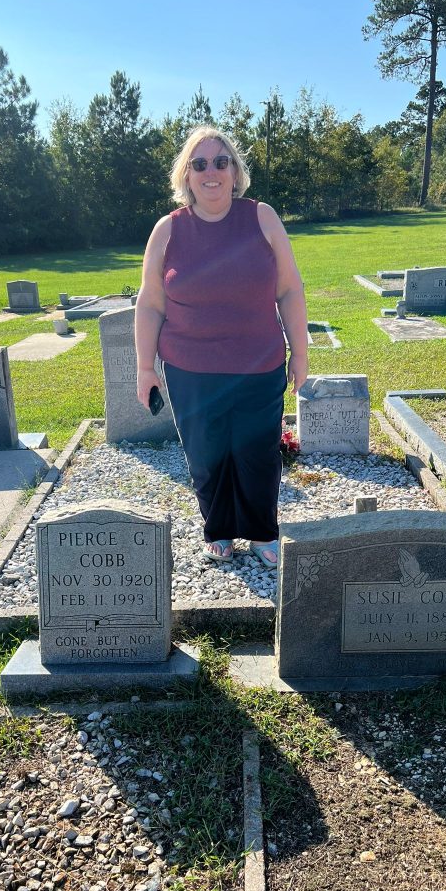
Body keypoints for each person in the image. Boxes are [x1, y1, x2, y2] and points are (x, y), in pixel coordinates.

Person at [135, 125, 308, 569]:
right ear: (187, 176)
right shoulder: (167, 230)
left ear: (234, 171)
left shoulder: (262, 218)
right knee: (206, 456)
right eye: (200, 164)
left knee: (257, 454)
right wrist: (145, 367)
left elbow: (289, 289)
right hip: (189, 369)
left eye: (220, 161)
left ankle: (263, 531)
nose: (210, 171)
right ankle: (219, 530)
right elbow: (150, 303)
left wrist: (301, 353)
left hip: (259, 364)